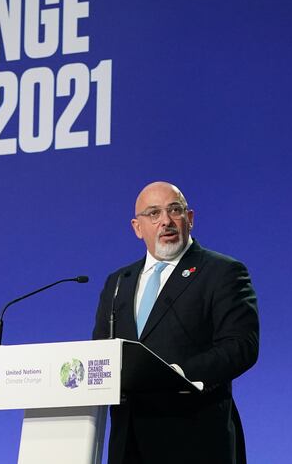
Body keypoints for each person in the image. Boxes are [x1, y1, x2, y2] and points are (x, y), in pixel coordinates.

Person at [93, 182, 259, 464]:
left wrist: (179, 373)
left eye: (175, 210)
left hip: (196, 436)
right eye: (154, 213)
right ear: (137, 227)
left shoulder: (222, 272)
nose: (166, 221)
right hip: (129, 441)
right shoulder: (119, 282)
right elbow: (101, 352)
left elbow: (241, 345)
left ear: (190, 219)